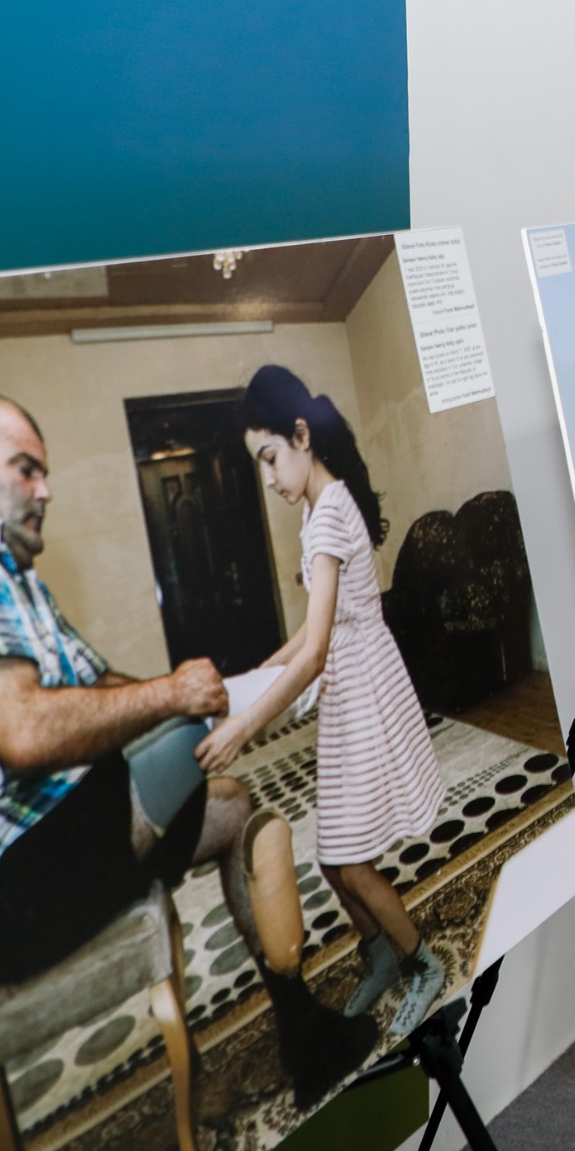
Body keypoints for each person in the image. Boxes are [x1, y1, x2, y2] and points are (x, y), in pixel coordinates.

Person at [0, 394, 372, 1099]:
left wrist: (183, 699)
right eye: (27, 468)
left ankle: (304, 1034)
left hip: (35, 843)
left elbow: (101, 685)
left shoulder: (13, 578)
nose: (46, 489)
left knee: (229, 806)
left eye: (44, 473)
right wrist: (178, 701)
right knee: (171, 743)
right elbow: (25, 731)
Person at [198, 366, 451, 1037]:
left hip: (364, 689)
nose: (269, 478)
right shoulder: (319, 509)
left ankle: (421, 963)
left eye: (270, 457)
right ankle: (379, 955)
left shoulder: (330, 511)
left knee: (347, 859)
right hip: (349, 683)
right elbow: (315, 632)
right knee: (330, 853)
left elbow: (315, 653)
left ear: (301, 436)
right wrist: (259, 673)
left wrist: (246, 725)